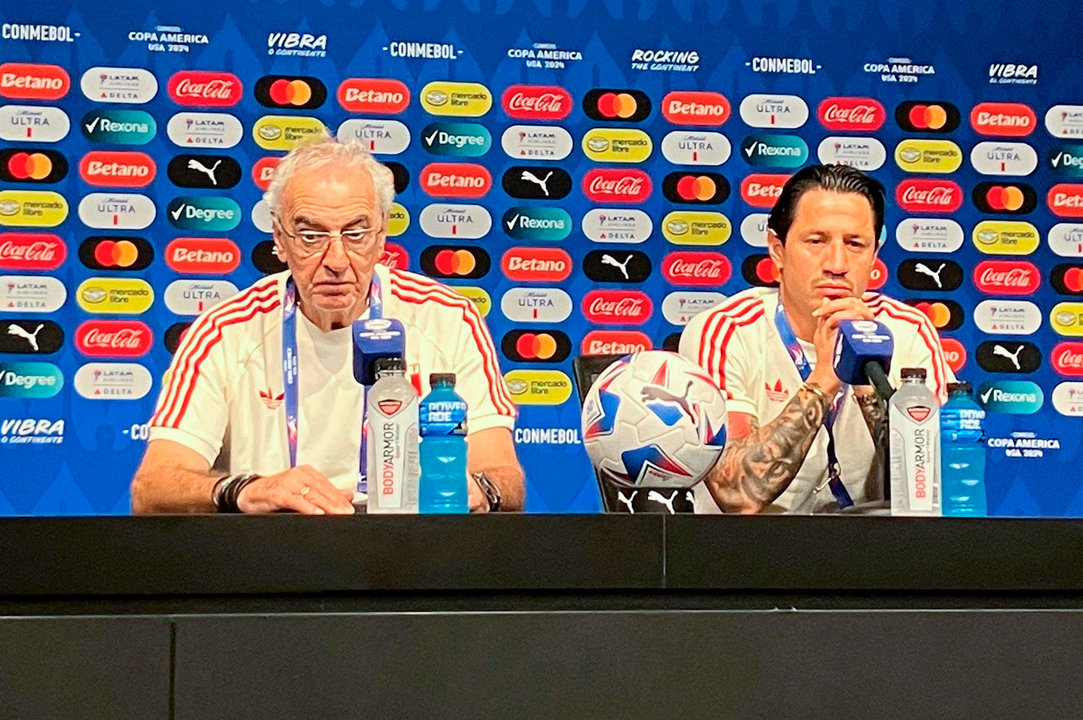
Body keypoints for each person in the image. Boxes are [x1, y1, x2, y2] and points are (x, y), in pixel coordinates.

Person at [132, 136, 524, 514]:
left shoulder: (448, 318)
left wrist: (475, 489)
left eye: (355, 233)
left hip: (412, 556)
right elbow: (152, 486)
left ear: (382, 234)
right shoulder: (224, 331)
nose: (336, 259)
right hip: (273, 557)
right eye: (310, 235)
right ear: (279, 239)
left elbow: (507, 479)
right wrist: (248, 489)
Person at [679, 164, 954, 514]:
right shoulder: (726, 331)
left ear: (874, 257)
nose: (836, 263)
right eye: (816, 241)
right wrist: (826, 377)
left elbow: (936, 492)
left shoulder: (909, 331)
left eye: (855, 244)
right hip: (745, 556)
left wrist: (865, 377)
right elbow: (736, 493)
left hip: (872, 556)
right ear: (777, 249)